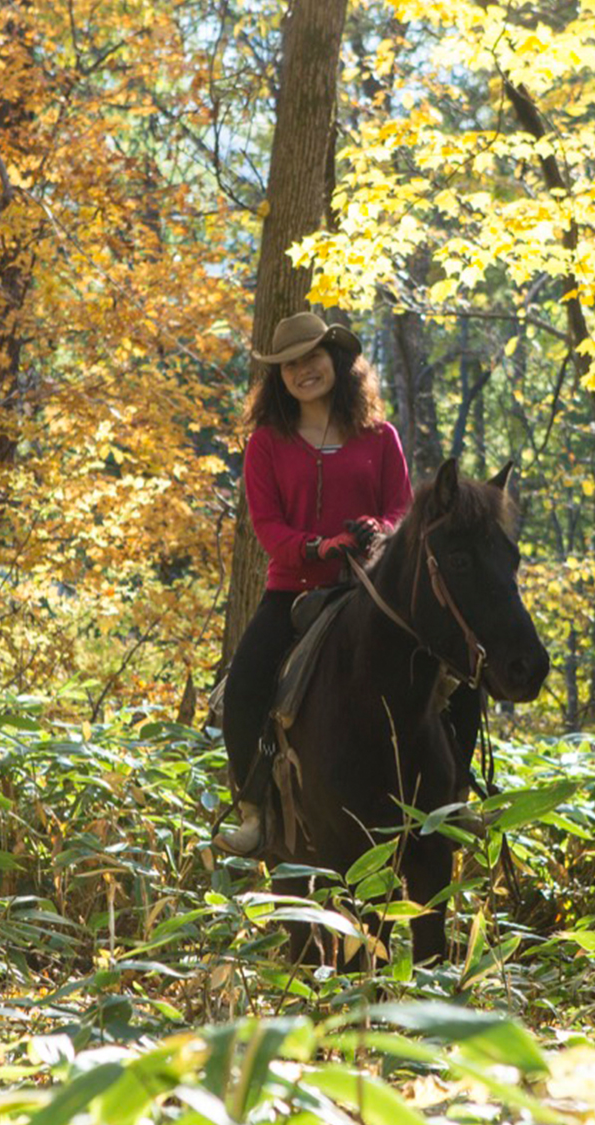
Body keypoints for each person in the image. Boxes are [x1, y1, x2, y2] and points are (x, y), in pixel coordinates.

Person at [215, 311, 411, 856]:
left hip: (372, 591)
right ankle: (255, 812)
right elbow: (268, 526)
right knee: (246, 684)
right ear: (278, 376)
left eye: (313, 358)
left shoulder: (380, 436)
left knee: (450, 673)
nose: (304, 370)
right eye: (290, 364)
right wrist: (315, 546)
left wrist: (380, 530)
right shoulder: (266, 445)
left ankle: (458, 793)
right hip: (294, 592)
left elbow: (401, 507)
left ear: (337, 362)